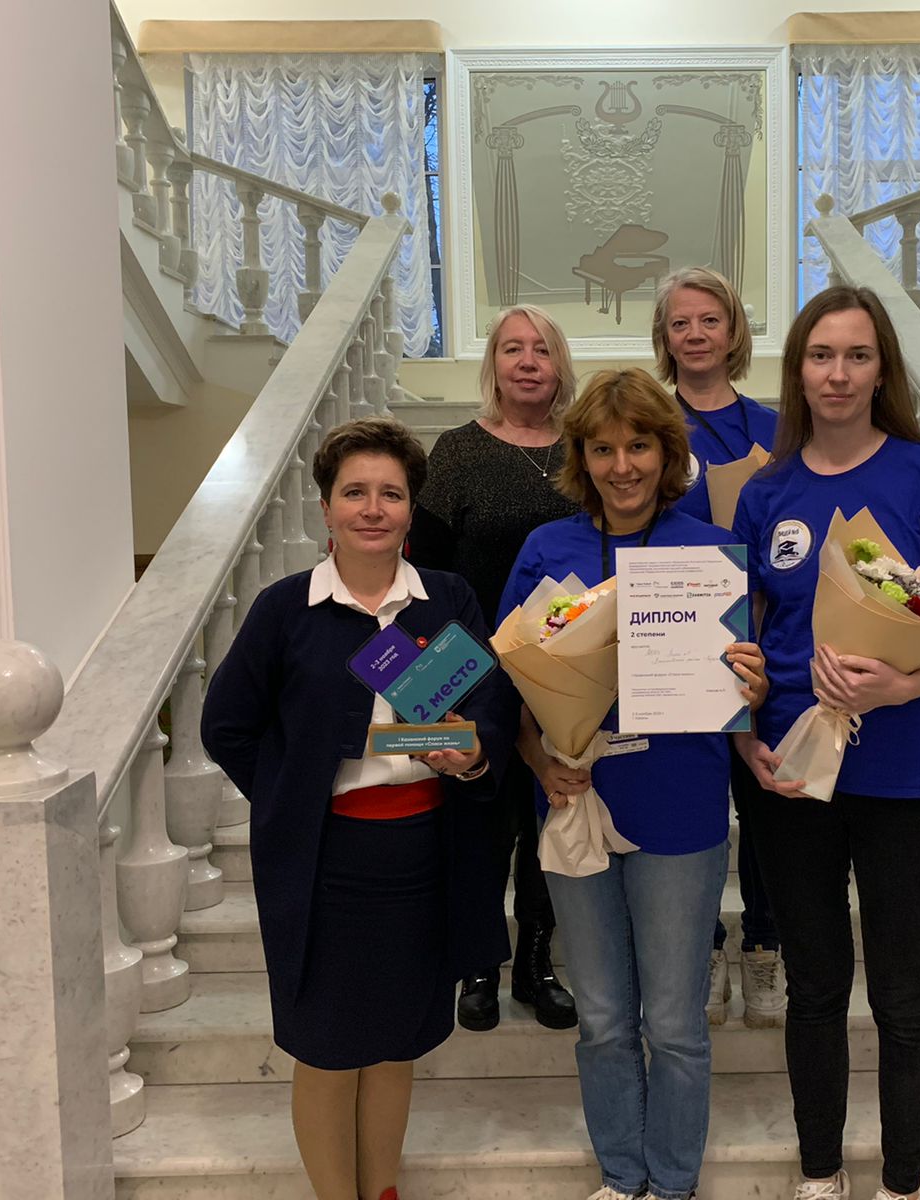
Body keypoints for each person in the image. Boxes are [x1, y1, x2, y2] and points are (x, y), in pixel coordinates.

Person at [201, 418, 514, 1200]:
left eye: (391, 494)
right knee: (327, 1047)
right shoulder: (286, 609)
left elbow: (492, 709)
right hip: (327, 866)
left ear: (411, 511)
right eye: (355, 493)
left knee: (396, 1042)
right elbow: (226, 725)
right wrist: (291, 796)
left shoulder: (446, 599)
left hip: (423, 856)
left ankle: (383, 1191)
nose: (373, 509)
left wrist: (473, 754)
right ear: (326, 508)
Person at [730, 286, 920, 1200]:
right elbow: (740, 640)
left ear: (883, 371)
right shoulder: (767, 493)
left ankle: (902, 1184)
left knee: (905, 996)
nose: (837, 373)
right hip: (792, 775)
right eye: (821, 355)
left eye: (857, 355)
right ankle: (820, 1174)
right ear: (798, 370)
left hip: (909, 777)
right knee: (813, 988)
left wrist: (901, 686)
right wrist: (745, 741)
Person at [501, 368, 769, 1200]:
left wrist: (753, 684)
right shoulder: (547, 549)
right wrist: (537, 760)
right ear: (581, 456)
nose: (623, 466)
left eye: (640, 445)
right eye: (604, 448)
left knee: (677, 1024)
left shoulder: (709, 552)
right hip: (576, 802)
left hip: (681, 806)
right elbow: (512, 684)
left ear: (668, 452)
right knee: (604, 1019)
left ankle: (674, 1182)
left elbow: (740, 689)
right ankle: (622, 1177)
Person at [409, 304, 582, 1033]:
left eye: (541, 348)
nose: (528, 361)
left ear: (560, 364)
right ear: (494, 365)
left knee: (548, 816)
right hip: (473, 668)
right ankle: (479, 965)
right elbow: (422, 573)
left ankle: (537, 964)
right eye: (512, 348)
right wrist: (428, 681)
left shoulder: (583, 449)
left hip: (566, 669)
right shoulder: (456, 451)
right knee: (481, 826)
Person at [650, 266, 785, 1029]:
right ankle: (700, 946)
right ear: (664, 338)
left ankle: (764, 944)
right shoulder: (649, 422)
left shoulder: (777, 428)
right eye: (681, 323)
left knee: (764, 804)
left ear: (733, 331)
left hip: (765, 643)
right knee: (694, 805)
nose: (696, 334)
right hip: (673, 647)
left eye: (710, 320)